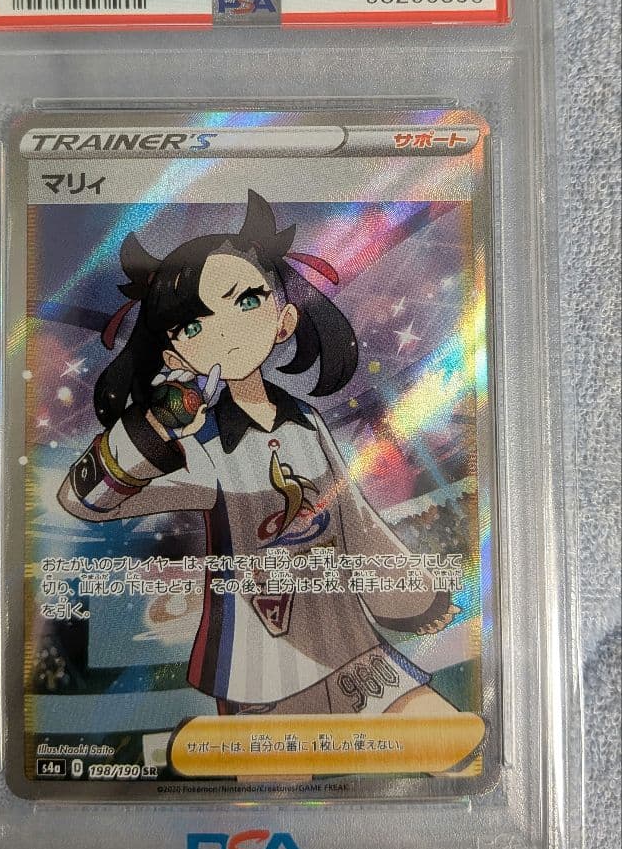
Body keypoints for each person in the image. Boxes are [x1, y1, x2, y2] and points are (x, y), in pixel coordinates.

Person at [58, 191, 458, 715]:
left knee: (435, 733)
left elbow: (354, 517)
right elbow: (84, 500)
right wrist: (154, 427)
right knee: (278, 765)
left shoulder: (306, 420)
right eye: (195, 325)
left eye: (246, 302)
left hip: (349, 642)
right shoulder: (198, 447)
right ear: (176, 351)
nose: (226, 330)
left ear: (284, 319)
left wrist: (409, 596)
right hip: (261, 666)